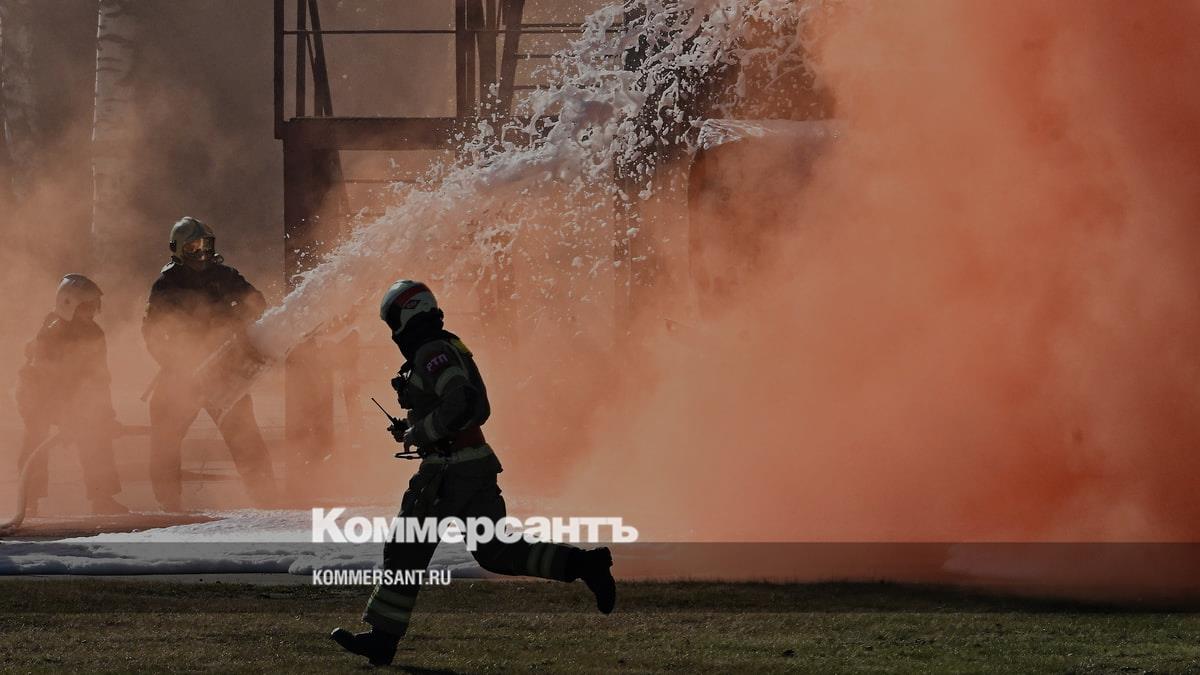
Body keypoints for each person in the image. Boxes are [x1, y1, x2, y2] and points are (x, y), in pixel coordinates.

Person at [331, 280, 616, 667]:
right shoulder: (445, 346)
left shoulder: (432, 352)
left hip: (448, 471)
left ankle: (382, 640)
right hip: (472, 463)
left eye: (393, 320)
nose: (393, 331)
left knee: (405, 548)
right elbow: (460, 406)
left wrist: (419, 432)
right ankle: (584, 565)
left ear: (408, 314)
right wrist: (414, 427)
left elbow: (462, 401)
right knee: (495, 552)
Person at [141, 216, 276, 511]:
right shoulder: (166, 285)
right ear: (178, 249)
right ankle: (168, 502)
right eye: (193, 246)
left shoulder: (225, 275)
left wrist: (238, 318)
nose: (201, 252)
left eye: (206, 245)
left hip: (223, 371)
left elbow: (256, 302)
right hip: (182, 375)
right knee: (165, 435)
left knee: (244, 433)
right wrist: (176, 363)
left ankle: (266, 496)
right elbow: (152, 334)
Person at [14, 274, 127, 516]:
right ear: (68, 305)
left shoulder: (95, 334)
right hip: (37, 397)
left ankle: (102, 498)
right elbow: (48, 381)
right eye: (86, 307)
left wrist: (106, 415)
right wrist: (68, 418)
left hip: (72, 397)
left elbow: (99, 379)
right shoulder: (50, 333)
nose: (92, 312)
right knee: (36, 438)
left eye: (94, 306)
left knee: (96, 433)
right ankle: (29, 501)